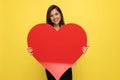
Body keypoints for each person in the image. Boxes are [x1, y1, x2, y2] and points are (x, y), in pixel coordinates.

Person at [27, 5, 88, 80]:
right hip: (51, 69)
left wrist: (81, 50)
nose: (55, 17)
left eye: (56, 14)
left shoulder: (69, 31)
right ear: (49, 18)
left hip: (66, 69)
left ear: (60, 14)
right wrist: (33, 50)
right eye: (51, 15)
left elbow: (72, 48)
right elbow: (42, 49)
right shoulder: (45, 33)